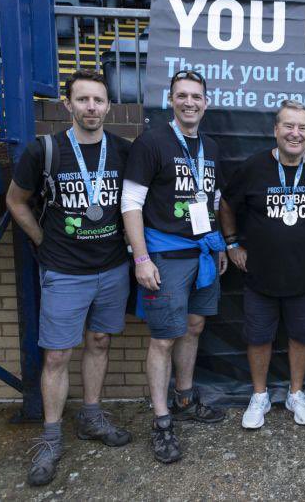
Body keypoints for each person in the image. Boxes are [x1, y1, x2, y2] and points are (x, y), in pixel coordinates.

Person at [6, 70, 132, 486]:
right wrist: (43, 241)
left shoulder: (123, 151)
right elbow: (16, 201)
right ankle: (51, 437)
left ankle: (92, 416)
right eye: (83, 100)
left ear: (109, 106)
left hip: (113, 267)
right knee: (58, 355)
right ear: (68, 104)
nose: (91, 108)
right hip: (63, 270)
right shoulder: (46, 150)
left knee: (99, 342)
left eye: (98, 100)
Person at [122, 70, 227, 464]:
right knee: (163, 338)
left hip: (201, 253)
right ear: (170, 100)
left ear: (206, 102)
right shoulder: (152, 142)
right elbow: (130, 204)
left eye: (196, 96)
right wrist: (142, 257)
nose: (189, 102)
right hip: (163, 256)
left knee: (194, 326)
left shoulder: (211, 147)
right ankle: (162, 421)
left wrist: (216, 245)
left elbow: (211, 200)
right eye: (182, 95)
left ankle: (184, 398)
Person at [220, 100, 305, 430]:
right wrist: (231, 242)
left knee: (302, 336)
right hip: (260, 273)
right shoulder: (253, 167)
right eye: (288, 126)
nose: (295, 133)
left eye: (302, 127)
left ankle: (296, 393)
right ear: (275, 130)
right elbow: (227, 204)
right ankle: (259, 395)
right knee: (258, 337)